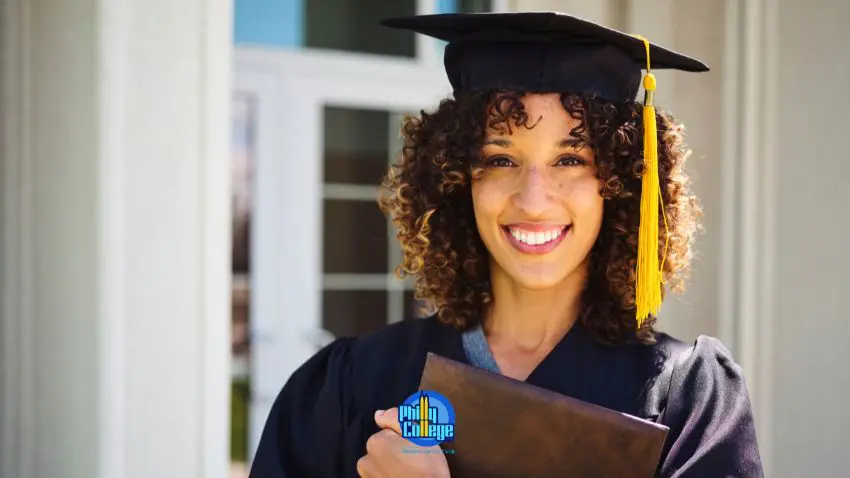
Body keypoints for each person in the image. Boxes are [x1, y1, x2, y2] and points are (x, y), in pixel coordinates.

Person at [250, 11, 763, 478]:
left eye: (571, 160)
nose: (534, 200)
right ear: (456, 179)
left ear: (621, 183)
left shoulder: (687, 399)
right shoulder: (356, 382)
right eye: (500, 159)